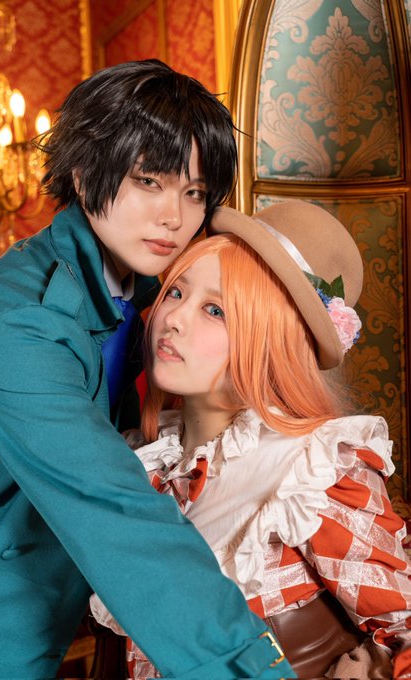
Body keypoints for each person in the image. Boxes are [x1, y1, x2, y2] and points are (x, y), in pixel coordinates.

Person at [0, 60, 295, 679]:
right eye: (148, 181)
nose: (174, 217)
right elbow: (113, 511)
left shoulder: (144, 297)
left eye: (194, 192)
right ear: (85, 174)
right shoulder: (24, 327)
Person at [90, 199, 411, 679]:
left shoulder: (313, 473)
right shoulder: (142, 464)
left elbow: (404, 626)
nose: (173, 318)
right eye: (176, 291)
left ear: (270, 341)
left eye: (215, 309)